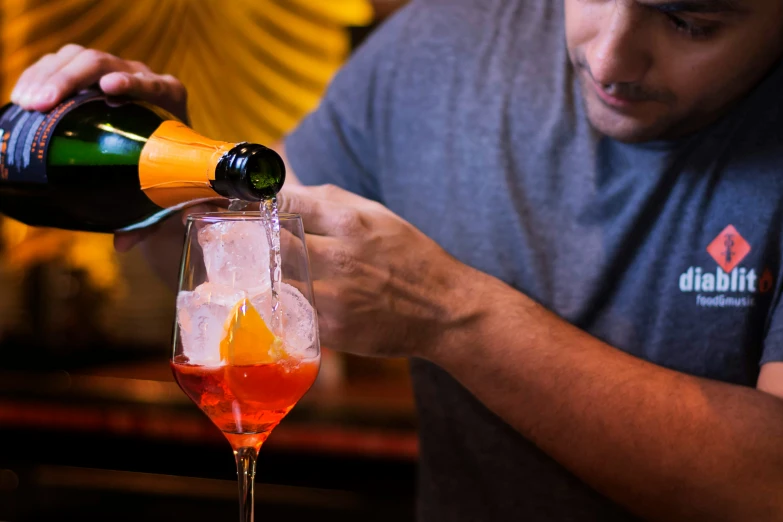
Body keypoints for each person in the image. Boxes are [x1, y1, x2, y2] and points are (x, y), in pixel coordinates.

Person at [12, 0, 783, 520]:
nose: (609, 56)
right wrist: (164, 184)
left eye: (689, 19)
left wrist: (453, 315)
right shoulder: (438, 40)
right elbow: (247, 263)